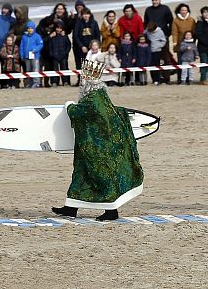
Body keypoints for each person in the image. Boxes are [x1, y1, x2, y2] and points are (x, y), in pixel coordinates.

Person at [52, 59, 144, 221]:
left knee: (103, 178)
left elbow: (78, 113)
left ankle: (111, 211)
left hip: (100, 148)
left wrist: (69, 106)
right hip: (91, 146)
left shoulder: (92, 100)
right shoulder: (102, 96)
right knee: (81, 175)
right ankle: (70, 208)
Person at [195, 7, 208, 85]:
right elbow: (198, 35)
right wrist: (207, 42)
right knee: (203, 63)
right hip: (203, 46)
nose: (206, 14)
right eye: (204, 12)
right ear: (202, 14)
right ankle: (203, 79)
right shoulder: (199, 23)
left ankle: (206, 78)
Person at [47, 22, 72, 87]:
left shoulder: (64, 36)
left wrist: (65, 53)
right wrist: (51, 54)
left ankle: (66, 82)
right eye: (57, 28)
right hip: (54, 56)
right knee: (54, 69)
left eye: (60, 28)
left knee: (64, 68)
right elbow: (49, 46)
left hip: (63, 56)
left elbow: (68, 45)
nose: (58, 29)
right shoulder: (52, 36)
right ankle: (54, 82)